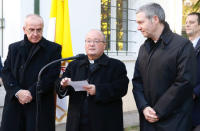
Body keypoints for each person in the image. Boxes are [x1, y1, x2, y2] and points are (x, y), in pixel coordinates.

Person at [132, 3, 197, 131]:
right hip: (148, 120)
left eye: (141, 22)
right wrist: (144, 107)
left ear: (155, 19)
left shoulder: (183, 46)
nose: (138, 27)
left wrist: (158, 111)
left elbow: (185, 82)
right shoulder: (143, 49)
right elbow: (137, 81)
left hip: (174, 121)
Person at [56, 29, 129, 131]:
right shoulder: (74, 65)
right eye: (88, 41)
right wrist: (63, 85)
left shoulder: (116, 65)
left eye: (96, 41)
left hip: (104, 122)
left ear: (104, 45)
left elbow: (121, 88)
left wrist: (98, 90)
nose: (91, 44)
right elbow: (60, 86)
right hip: (78, 122)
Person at [0, 14, 61, 131]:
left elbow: (51, 76)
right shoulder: (14, 48)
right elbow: (6, 72)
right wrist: (17, 91)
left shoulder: (54, 49)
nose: (35, 34)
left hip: (39, 105)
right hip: (15, 104)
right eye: (31, 30)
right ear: (24, 29)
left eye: (39, 30)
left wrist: (30, 93)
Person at [185, 12, 200, 131]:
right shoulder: (181, 47)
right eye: (186, 22)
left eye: (192, 22)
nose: (187, 25)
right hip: (180, 110)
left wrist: (195, 92)